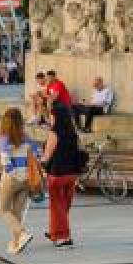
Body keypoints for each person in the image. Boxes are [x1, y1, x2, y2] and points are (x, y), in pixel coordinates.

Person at [0, 107, 38, 255]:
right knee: (17, 212)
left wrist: (14, 174)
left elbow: (6, 162)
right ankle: (16, 243)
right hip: (27, 179)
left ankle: (22, 233)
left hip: (13, 179)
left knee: (3, 210)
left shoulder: (5, 139)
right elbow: (36, 156)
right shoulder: (27, 138)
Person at [42, 104, 82, 248]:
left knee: (57, 205)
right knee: (64, 205)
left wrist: (39, 161)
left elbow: (47, 156)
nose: (50, 118)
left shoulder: (54, 133)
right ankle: (54, 231)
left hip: (57, 173)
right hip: (72, 174)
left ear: (56, 116)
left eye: (51, 115)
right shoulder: (73, 132)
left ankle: (64, 237)